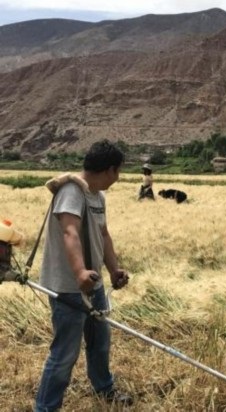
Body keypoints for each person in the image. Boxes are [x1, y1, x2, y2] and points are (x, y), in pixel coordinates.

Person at [35, 140, 132, 411]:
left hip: (93, 284)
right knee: (65, 353)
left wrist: (113, 270)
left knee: (100, 342)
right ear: (110, 169)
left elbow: (102, 234)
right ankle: (45, 407)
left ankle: (104, 387)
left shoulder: (97, 197)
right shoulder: (71, 192)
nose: (119, 178)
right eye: (119, 171)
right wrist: (78, 271)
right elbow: (70, 232)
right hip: (68, 286)